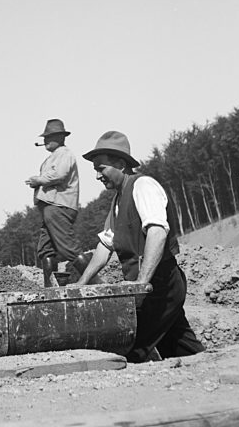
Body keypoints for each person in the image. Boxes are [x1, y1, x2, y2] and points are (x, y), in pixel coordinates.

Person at [77, 130, 205, 362]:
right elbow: (105, 246)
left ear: (120, 163)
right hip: (148, 288)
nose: (97, 176)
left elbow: (157, 232)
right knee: (180, 345)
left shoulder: (143, 186)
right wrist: (81, 283)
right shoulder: (118, 200)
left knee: (130, 345)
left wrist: (141, 283)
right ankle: (215, 367)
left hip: (161, 284)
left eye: (101, 168)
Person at [25, 119, 88, 287]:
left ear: (60, 137)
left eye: (50, 137)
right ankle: (49, 287)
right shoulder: (53, 157)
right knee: (46, 249)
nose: (45, 140)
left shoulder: (65, 154)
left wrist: (38, 180)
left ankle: (94, 280)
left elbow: (59, 175)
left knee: (68, 248)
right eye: (45, 137)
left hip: (59, 206)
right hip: (50, 208)